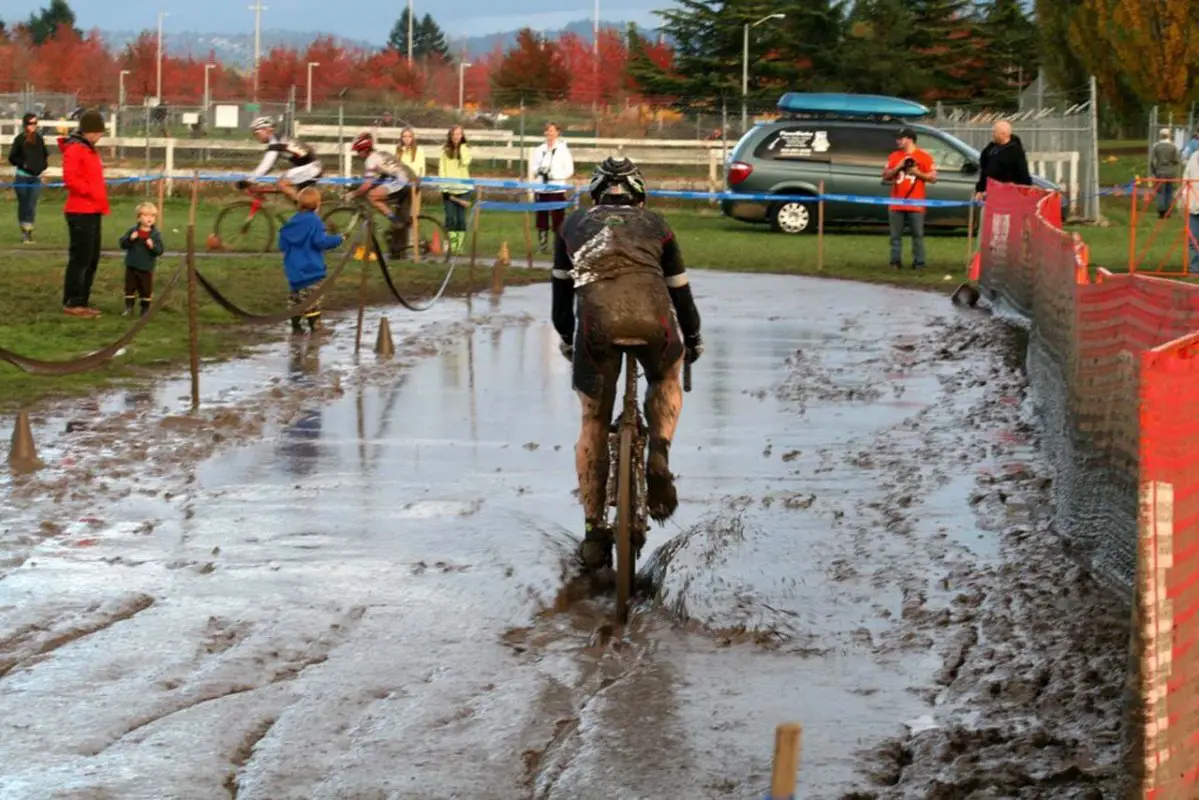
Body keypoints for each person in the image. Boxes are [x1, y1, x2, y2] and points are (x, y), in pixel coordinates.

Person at [551, 157, 703, 571]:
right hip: (654, 321)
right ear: (639, 196)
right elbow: (682, 296)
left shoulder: (571, 226)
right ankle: (659, 451)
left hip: (597, 325)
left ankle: (593, 530)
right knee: (667, 377)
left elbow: (561, 305)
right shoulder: (658, 226)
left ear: (595, 194)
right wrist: (692, 339)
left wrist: (567, 339)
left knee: (593, 421)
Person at [59, 109, 110, 318]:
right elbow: (70, 179)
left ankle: (83, 299)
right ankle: (72, 301)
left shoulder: (89, 149)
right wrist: (89, 190)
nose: (100, 136)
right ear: (90, 131)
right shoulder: (75, 149)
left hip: (93, 209)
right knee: (80, 258)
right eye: (98, 132)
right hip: (80, 210)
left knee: (92, 257)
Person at [278, 187, 344, 334]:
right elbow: (320, 242)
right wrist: (338, 239)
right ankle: (316, 327)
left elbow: (282, 245)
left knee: (295, 298)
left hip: (294, 270)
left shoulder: (292, 221)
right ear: (318, 204)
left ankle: (296, 326)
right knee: (313, 299)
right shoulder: (315, 222)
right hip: (311, 269)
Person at [348, 131, 420, 255]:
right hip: (411, 180)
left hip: (403, 181)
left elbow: (367, 185)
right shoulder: (380, 154)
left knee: (372, 196)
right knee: (401, 219)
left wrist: (353, 193)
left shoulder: (370, 160)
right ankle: (397, 249)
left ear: (363, 150)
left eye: (358, 151)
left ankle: (395, 221)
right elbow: (381, 177)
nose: (358, 154)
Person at [882, 127, 937, 270]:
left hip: (916, 202)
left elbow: (933, 178)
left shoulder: (924, 156)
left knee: (918, 235)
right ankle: (895, 262)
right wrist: (899, 167)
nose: (897, 141)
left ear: (909, 139)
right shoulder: (894, 156)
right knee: (895, 236)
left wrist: (916, 172)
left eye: (901, 138)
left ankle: (919, 262)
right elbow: (886, 175)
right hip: (896, 202)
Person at [238, 117, 322, 204]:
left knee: (282, 183)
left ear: (266, 130)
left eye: (257, 133)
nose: (256, 137)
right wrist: (252, 179)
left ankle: (306, 208)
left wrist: (249, 180)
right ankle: (306, 210)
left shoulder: (275, 143)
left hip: (310, 168)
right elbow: (270, 166)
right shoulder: (278, 140)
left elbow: (266, 165)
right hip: (311, 167)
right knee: (291, 192)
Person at [528, 121, 575, 253]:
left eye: (552, 131)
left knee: (557, 218)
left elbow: (569, 170)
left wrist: (554, 175)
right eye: (548, 131)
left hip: (557, 189)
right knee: (541, 217)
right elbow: (533, 167)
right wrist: (540, 171)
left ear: (557, 133)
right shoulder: (539, 150)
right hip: (541, 188)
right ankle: (542, 245)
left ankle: (558, 245)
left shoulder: (563, 150)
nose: (549, 133)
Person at [8, 112, 50, 243]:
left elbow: (44, 155)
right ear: (26, 125)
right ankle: (23, 229)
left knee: (31, 204)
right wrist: (23, 164)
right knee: (24, 204)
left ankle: (28, 232)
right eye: (31, 123)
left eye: (35, 123)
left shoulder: (39, 139)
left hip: (35, 178)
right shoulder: (20, 140)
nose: (34, 126)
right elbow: (12, 157)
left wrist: (42, 167)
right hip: (22, 178)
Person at [118, 201, 165, 317]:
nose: (150, 218)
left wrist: (152, 246)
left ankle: (145, 310)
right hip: (132, 265)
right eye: (146, 215)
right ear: (139, 218)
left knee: (146, 289)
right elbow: (122, 244)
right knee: (130, 287)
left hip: (146, 267)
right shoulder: (133, 231)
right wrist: (130, 239)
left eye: (152, 216)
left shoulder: (155, 234)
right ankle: (129, 308)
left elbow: (160, 251)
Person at [973, 120, 1031, 202]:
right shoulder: (990, 149)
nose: (992, 134)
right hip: (990, 193)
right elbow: (984, 172)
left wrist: (1023, 194)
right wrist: (980, 189)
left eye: (995, 132)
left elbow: (1023, 174)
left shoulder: (1015, 152)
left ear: (1003, 134)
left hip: (1007, 195)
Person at [440, 125, 472, 255]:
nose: (456, 137)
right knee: (450, 218)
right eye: (454, 134)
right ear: (450, 136)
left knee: (461, 220)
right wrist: (445, 189)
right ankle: (451, 244)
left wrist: (461, 147)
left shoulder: (465, 149)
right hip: (449, 189)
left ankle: (459, 246)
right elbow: (442, 171)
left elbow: (466, 162)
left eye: (459, 134)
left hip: (463, 189)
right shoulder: (444, 152)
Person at [1150, 127, 1182, 220]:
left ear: (1160, 135)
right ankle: (1168, 211)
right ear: (1169, 135)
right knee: (1169, 192)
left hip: (1160, 172)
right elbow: (1176, 160)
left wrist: (1153, 171)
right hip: (1170, 172)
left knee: (1160, 192)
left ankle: (1161, 211)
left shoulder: (1156, 146)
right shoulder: (1173, 146)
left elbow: (1153, 161)